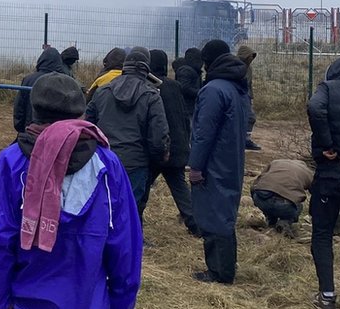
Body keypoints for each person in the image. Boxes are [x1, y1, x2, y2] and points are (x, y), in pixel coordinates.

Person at [0, 73, 142, 309]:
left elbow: (0, 242)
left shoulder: (12, 161)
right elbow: (125, 247)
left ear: (35, 110)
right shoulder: (108, 164)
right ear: (80, 112)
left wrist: (1, 301)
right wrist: (122, 303)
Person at [188, 39, 250, 284]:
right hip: (231, 160)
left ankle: (219, 272)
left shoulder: (213, 90)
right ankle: (225, 267)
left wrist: (196, 166)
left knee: (213, 215)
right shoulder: (237, 88)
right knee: (225, 213)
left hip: (214, 163)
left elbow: (204, 132)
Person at [85, 48, 170, 220]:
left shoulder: (103, 91)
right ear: (147, 68)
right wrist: (159, 159)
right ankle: (128, 246)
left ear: (125, 66)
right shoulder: (151, 95)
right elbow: (158, 136)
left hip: (104, 161)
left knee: (103, 210)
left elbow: (88, 126)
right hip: (136, 164)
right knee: (129, 214)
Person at [308, 52, 340, 309]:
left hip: (330, 172)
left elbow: (315, 107)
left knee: (322, 233)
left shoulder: (328, 88)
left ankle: (327, 295)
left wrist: (326, 142)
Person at [145, 49, 198, 236]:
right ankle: (195, 225)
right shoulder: (174, 86)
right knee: (180, 188)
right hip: (178, 147)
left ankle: (134, 222)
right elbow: (184, 116)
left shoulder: (148, 86)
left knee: (142, 189)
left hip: (158, 148)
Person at [251, 159, 313, 239]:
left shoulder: (275, 162)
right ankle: (285, 222)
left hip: (262, 198)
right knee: (298, 205)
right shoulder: (307, 172)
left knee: (268, 198)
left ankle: (271, 222)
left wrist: (255, 200)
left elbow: (256, 182)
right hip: (285, 205)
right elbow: (315, 194)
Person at [13, 47, 65, 133]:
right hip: (55, 134)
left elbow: (19, 108)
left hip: (30, 131)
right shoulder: (64, 82)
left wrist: (21, 129)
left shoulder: (28, 79)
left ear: (41, 60)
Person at [237, 45, 262, 150]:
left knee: (250, 118)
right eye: (250, 56)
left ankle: (245, 139)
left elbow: (249, 84)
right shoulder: (237, 66)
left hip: (246, 95)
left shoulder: (249, 68)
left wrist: (251, 97)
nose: (252, 59)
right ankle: (242, 139)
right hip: (238, 95)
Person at [175, 47, 204, 117]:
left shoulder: (193, 71)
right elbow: (184, 88)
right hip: (187, 108)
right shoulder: (186, 70)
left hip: (192, 107)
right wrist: (201, 92)